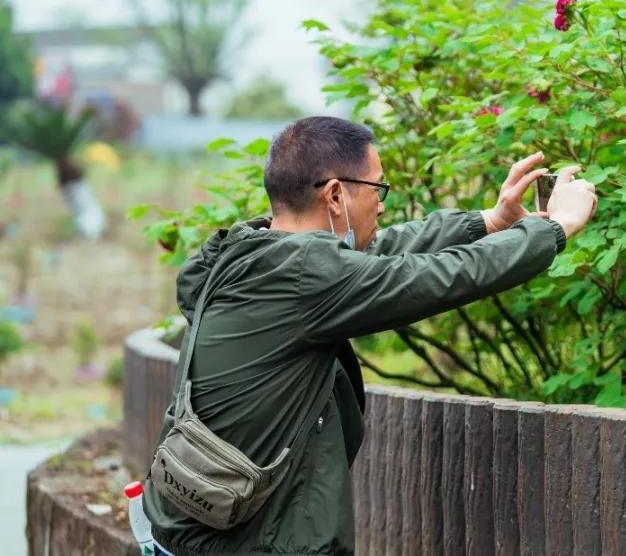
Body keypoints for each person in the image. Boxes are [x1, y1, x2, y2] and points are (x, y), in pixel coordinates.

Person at [143, 116, 597, 555]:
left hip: (184, 527)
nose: (382, 205)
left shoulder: (247, 254)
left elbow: (381, 253)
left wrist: (491, 220)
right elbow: (442, 276)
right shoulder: (306, 276)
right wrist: (555, 228)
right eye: (377, 189)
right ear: (336, 195)